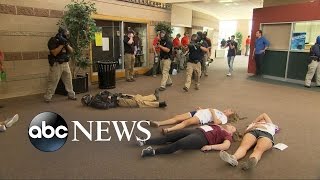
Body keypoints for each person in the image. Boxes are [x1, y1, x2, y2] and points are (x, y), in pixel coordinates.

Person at [137, 124, 237, 157]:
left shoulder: (227, 135)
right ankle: (145, 141)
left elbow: (226, 146)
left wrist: (210, 147)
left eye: (233, 127)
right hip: (196, 130)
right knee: (171, 136)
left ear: (231, 133)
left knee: (180, 143)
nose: (231, 126)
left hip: (202, 139)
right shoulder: (218, 125)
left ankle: (153, 152)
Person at [150, 107, 242, 134]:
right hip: (199, 112)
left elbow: (216, 122)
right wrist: (202, 108)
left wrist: (211, 111)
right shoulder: (219, 111)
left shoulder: (224, 118)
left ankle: (168, 130)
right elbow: (209, 111)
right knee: (177, 117)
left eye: (230, 111)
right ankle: (159, 123)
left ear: (231, 115)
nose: (228, 109)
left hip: (201, 118)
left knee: (185, 122)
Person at [44, 27, 77, 102]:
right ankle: (48, 97)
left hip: (65, 63)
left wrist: (66, 44)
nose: (67, 34)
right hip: (56, 64)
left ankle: (71, 95)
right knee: (53, 81)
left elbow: (72, 51)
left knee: (68, 80)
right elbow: (54, 53)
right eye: (66, 33)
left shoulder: (66, 40)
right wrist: (61, 45)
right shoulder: (53, 40)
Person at [81, 89, 167, 109]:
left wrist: (109, 95)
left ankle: (154, 97)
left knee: (137, 97)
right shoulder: (94, 102)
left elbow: (106, 93)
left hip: (117, 96)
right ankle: (158, 104)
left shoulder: (96, 97)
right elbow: (105, 106)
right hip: (118, 101)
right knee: (138, 102)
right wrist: (111, 99)